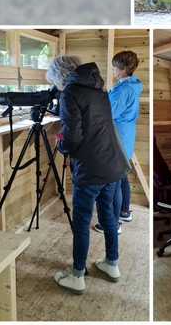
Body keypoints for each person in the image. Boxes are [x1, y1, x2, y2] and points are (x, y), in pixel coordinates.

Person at [46, 56, 126, 295]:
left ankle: (77, 275)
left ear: (61, 77)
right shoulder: (98, 89)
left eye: (56, 83)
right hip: (112, 166)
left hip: (90, 170)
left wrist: (60, 144)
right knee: (108, 217)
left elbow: (72, 139)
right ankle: (112, 265)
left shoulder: (70, 93)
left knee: (81, 223)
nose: (57, 88)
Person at [94, 50, 143, 233]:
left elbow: (108, 113)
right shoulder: (130, 85)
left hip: (118, 137)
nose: (112, 71)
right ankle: (125, 211)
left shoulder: (124, 90)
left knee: (114, 180)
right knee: (122, 176)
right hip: (126, 135)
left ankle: (113, 224)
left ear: (122, 69)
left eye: (114, 68)